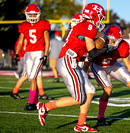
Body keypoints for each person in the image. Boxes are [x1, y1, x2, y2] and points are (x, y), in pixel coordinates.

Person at [36, 3, 107, 132]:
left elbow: (87, 51)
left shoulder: (85, 26)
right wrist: (106, 48)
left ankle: (81, 124)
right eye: (100, 17)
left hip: (72, 61)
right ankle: (45, 107)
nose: (101, 20)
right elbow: (93, 53)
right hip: (67, 61)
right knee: (78, 98)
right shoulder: (89, 26)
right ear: (93, 15)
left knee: (90, 90)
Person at [90, 25, 130, 126]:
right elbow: (88, 60)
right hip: (98, 65)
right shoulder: (99, 43)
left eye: (112, 41)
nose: (109, 42)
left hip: (112, 64)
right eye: (108, 39)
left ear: (118, 41)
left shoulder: (123, 46)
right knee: (108, 89)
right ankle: (100, 118)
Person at [14, 4, 50, 110]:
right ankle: (35, 101)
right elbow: (20, 41)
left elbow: (47, 41)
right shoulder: (23, 25)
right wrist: (17, 53)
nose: (32, 17)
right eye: (30, 14)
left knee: (33, 78)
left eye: (34, 14)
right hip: (28, 53)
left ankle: (31, 103)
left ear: (38, 14)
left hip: (39, 53)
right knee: (31, 79)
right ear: (26, 14)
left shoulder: (43, 24)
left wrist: (45, 55)